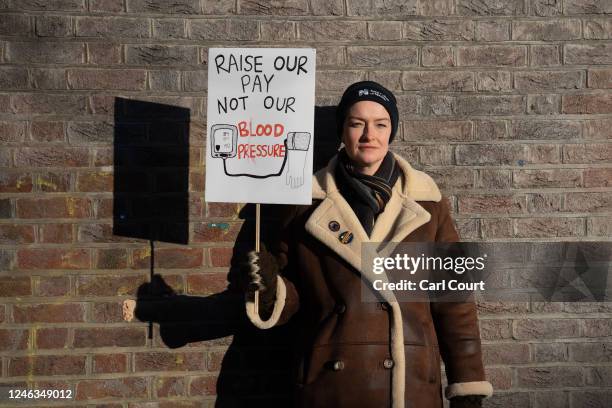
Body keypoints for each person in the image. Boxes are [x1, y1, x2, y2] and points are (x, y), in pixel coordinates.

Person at [241, 81, 493, 408]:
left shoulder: (428, 205)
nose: (368, 135)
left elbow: (454, 298)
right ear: (342, 131)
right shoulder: (304, 205)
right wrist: (269, 288)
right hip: (331, 386)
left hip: (410, 387)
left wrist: (467, 383)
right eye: (356, 123)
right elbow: (295, 297)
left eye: (380, 124)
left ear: (392, 131)